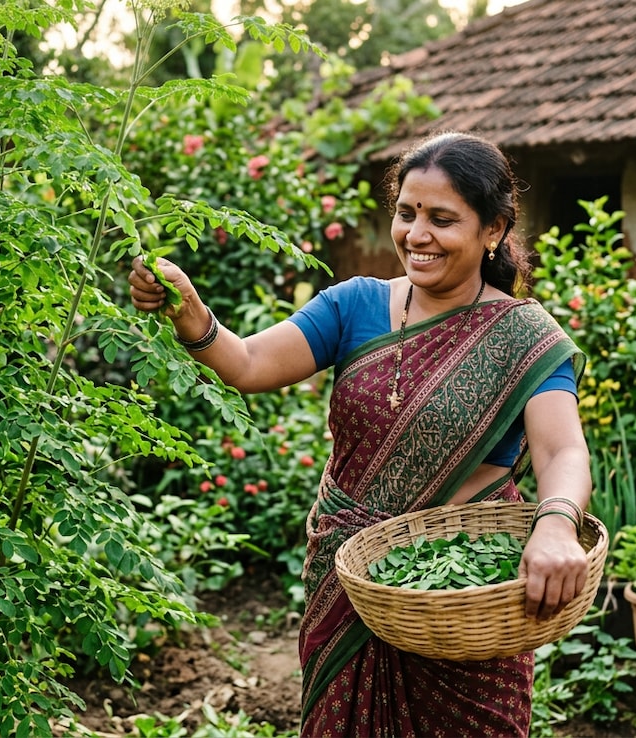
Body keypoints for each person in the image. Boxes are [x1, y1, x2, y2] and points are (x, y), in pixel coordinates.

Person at [128, 130, 591, 737]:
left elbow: (562, 448)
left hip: (464, 597)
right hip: (352, 579)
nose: (416, 234)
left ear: (494, 230)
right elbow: (248, 364)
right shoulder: (355, 305)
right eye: (407, 213)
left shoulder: (524, 337)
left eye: (442, 219)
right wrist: (190, 312)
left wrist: (556, 525)